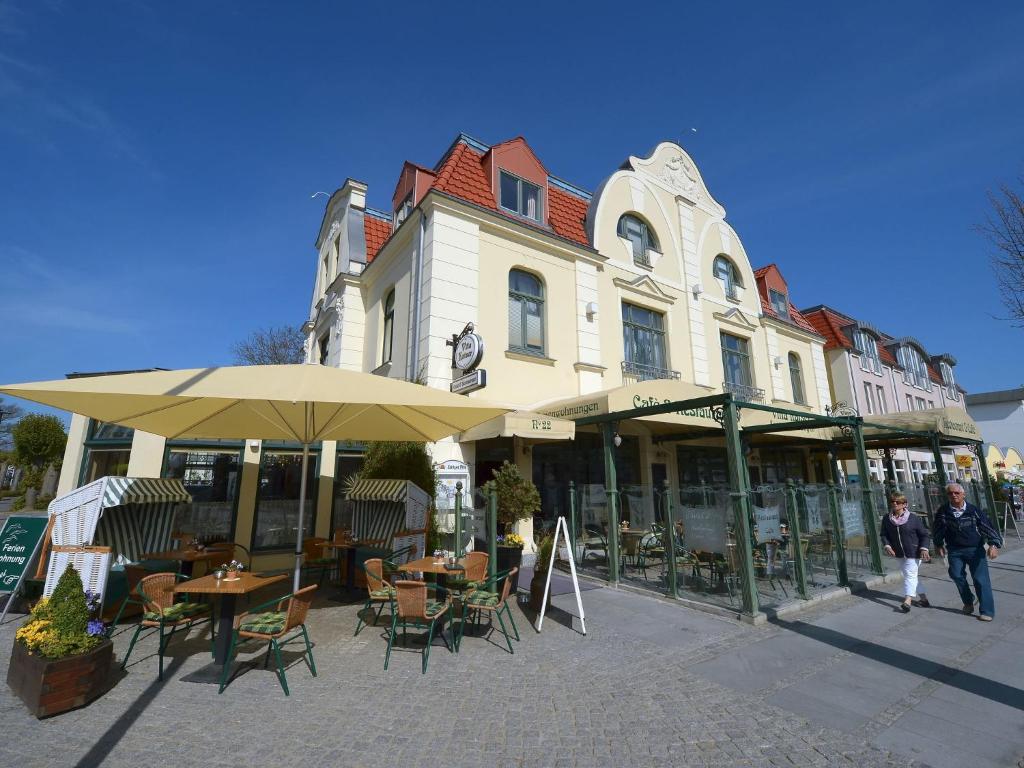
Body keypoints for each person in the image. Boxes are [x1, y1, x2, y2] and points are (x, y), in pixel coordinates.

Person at [932, 482, 1002, 621]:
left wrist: (993, 545)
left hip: (975, 549)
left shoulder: (973, 510)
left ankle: (987, 611)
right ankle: (968, 600)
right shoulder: (944, 511)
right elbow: (938, 529)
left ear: (963, 494)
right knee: (956, 575)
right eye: (950, 493)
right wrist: (938, 544)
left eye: (957, 493)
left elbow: (987, 528)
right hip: (954, 550)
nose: (953, 495)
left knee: (981, 580)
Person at [879, 493, 931, 612]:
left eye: (898, 502)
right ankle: (924, 599)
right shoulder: (887, 519)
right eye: (892, 502)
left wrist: (924, 548)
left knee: (910, 575)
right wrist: (887, 545)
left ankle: (907, 601)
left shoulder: (913, 518)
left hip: (914, 552)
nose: (894, 504)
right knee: (910, 575)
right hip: (898, 552)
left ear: (904, 504)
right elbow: (884, 534)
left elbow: (924, 535)